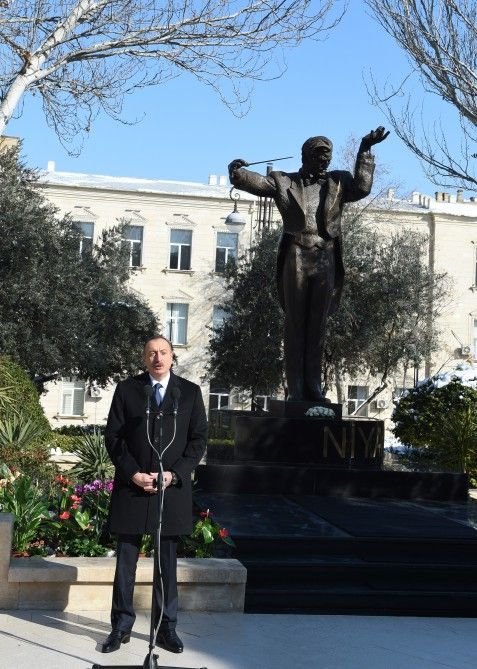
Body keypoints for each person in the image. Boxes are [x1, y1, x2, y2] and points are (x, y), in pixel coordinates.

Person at [228, 127, 389, 401]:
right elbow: (257, 183)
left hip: (325, 256)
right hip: (296, 254)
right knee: (295, 322)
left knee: (317, 324)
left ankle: (313, 386)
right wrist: (237, 173)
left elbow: (363, 187)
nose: (323, 161)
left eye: (327, 157)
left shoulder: (339, 182)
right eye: (318, 156)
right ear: (305, 156)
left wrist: (365, 149)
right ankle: (296, 389)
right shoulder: (284, 181)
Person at [101, 335, 207, 654]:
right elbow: (114, 437)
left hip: (170, 490)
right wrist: (133, 473)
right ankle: (121, 627)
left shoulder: (189, 392)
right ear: (144, 358)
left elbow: (198, 441)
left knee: (166, 564)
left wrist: (173, 474)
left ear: (172, 356)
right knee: (126, 562)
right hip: (132, 488)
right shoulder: (128, 390)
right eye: (151, 353)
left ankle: (166, 628)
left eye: (163, 352)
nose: (157, 358)